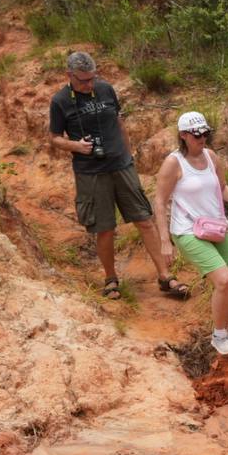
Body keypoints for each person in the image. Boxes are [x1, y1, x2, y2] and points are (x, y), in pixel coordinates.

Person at [48, 51, 190, 301]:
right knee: (104, 228)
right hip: (90, 172)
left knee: (144, 219)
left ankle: (165, 276)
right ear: (69, 75)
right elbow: (54, 137)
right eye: (83, 80)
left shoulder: (105, 90)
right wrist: (76, 146)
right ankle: (110, 278)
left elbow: (119, 122)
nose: (89, 84)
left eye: (92, 78)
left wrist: (129, 155)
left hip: (122, 165)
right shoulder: (60, 101)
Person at [155, 112, 228, 355]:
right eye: (197, 134)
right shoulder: (174, 163)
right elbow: (159, 202)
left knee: (227, 282)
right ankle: (218, 338)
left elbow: (221, 187)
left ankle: (222, 334)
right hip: (188, 230)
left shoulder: (211, 156)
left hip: (216, 226)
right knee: (223, 280)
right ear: (184, 135)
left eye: (206, 133)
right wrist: (165, 241)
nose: (202, 138)